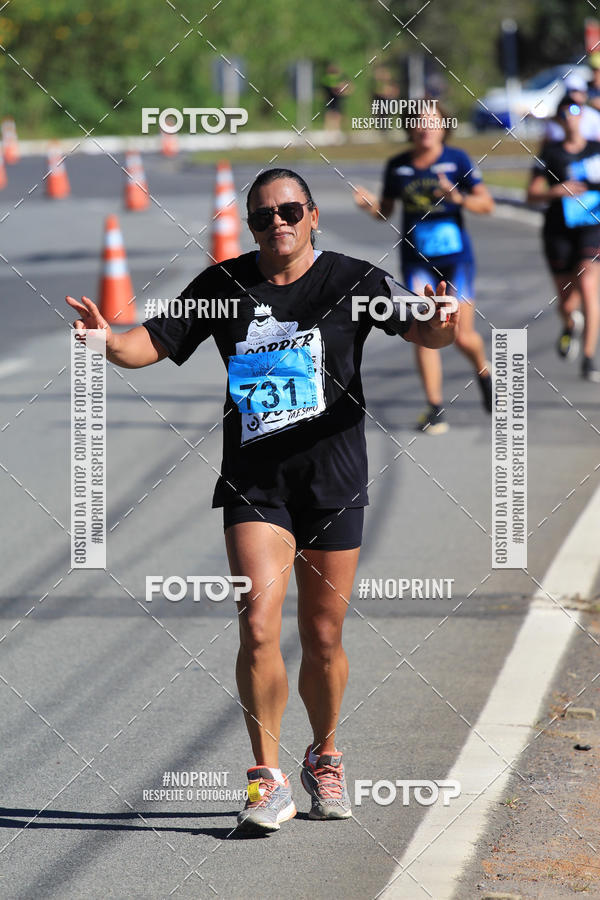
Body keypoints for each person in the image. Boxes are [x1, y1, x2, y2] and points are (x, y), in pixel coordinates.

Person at [66, 168, 458, 833]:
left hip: (334, 479)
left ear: (312, 217)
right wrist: (107, 342)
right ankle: (266, 780)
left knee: (325, 636)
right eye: (261, 215)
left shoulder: (352, 281)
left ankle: (325, 753)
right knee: (256, 623)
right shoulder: (222, 287)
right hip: (256, 483)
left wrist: (443, 320)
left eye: (288, 209)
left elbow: (424, 329)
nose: (275, 221)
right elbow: (150, 345)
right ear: (250, 225)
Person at [353, 108, 494, 433]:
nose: (425, 128)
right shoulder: (398, 166)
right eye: (418, 123)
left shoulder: (457, 159)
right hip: (417, 261)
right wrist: (368, 204)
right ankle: (434, 407)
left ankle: (483, 371)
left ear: (444, 126)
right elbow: (384, 212)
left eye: (432, 122)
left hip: (456, 259)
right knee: (426, 328)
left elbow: (486, 205)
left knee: (460, 333)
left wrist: (457, 198)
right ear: (409, 129)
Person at [528, 94, 600, 381]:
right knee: (567, 302)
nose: (572, 115)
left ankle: (589, 357)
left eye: (577, 110)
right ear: (559, 119)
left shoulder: (597, 149)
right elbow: (531, 194)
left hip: (592, 226)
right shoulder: (550, 153)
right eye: (565, 111)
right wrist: (554, 191)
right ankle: (571, 323)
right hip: (558, 229)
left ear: (583, 116)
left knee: (587, 281)